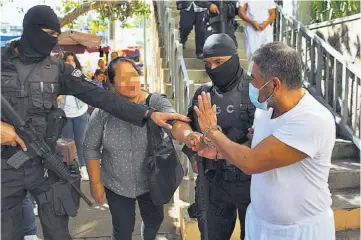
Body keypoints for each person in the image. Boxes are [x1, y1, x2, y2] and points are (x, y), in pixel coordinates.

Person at [1, 5, 188, 240]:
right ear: (30, 29)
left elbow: (102, 98)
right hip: (5, 166)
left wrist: (147, 114)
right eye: (48, 33)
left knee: (58, 233)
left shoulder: (58, 69)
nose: (52, 40)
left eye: (56, 35)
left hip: (45, 165)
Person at [193, 42, 336, 240]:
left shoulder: (311, 119)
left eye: (254, 80)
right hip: (261, 225)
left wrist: (212, 131)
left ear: (275, 85)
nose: (250, 86)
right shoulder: (265, 112)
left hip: (298, 232)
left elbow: (252, 162)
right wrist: (218, 152)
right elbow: (255, 150)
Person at [83, 57, 201, 240]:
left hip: (152, 181)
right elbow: (91, 147)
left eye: (133, 75)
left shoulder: (156, 103)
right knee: (122, 229)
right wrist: (95, 183)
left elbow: (175, 122)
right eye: (123, 78)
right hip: (116, 183)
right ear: (112, 85)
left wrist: (188, 136)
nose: (131, 82)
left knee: (154, 222)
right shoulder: (103, 112)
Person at [182, 34, 254, 240]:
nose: (212, 68)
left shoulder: (255, 91)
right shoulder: (203, 94)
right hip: (213, 184)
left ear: (234, 57)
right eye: (207, 63)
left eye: (219, 62)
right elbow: (188, 128)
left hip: (251, 182)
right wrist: (194, 153)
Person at [59, 52, 89, 181]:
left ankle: (83, 167)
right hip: (65, 115)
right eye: (67, 60)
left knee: (81, 142)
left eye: (72, 60)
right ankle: (70, 168)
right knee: (67, 144)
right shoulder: (58, 77)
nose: (70, 62)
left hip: (80, 113)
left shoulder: (79, 75)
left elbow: (89, 88)